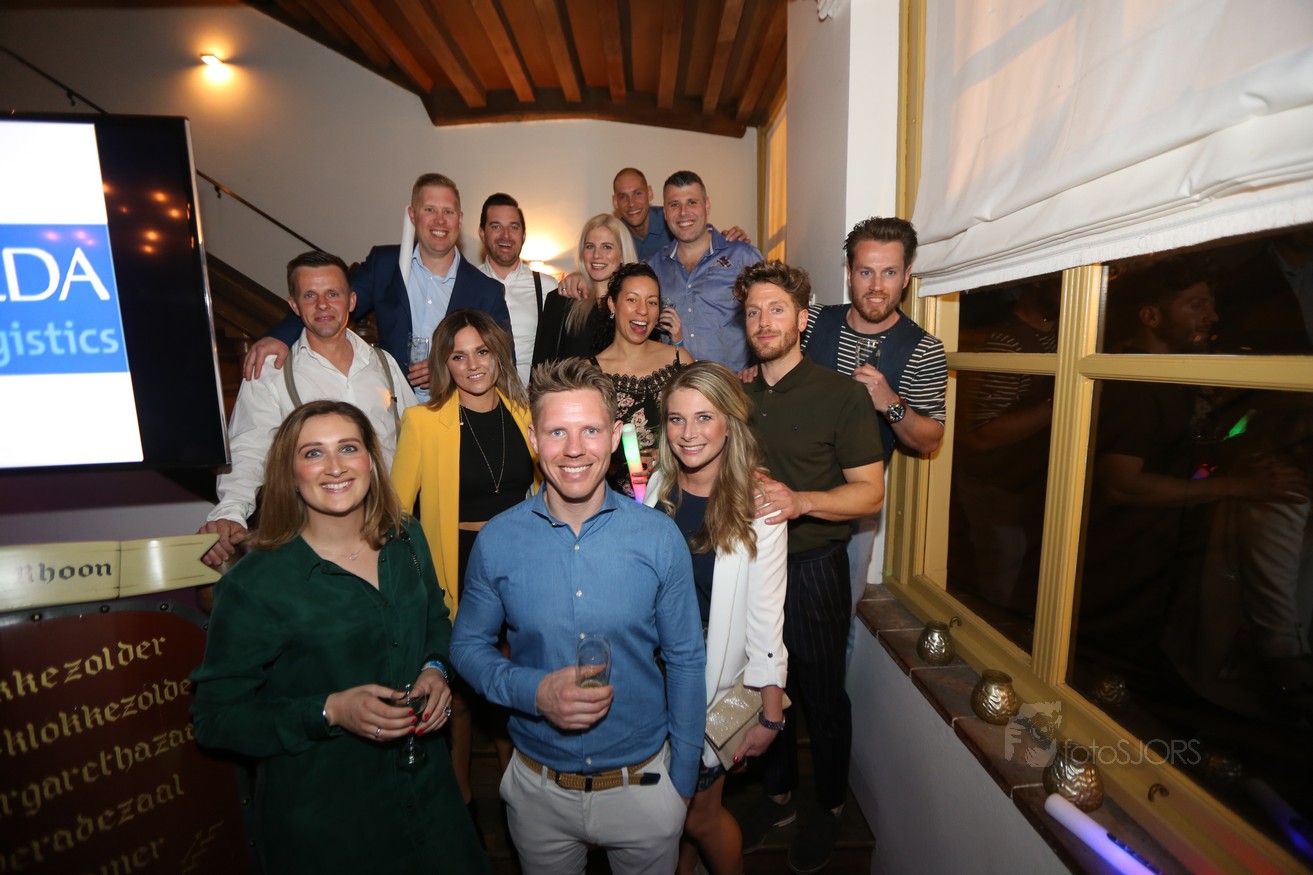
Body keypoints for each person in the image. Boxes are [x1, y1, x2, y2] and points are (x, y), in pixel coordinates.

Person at [190, 400, 488, 874]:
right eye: (313, 453)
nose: (334, 466)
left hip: (430, 802)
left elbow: (435, 620)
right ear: (289, 474)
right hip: (330, 822)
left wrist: (435, 668)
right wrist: (329, 710)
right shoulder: (256, 583)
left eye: (348, 448)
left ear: (371, 458)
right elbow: (217, 719)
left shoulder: (406, 539)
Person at [450, 358, 705, 875]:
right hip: (539, 793)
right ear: (533, 438)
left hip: (643, 789)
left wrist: (682, 781)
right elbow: (466, 647)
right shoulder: (498, 540)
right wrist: (534, 692)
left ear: (614, 436)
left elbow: (685, 658)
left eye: (590, 430)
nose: (573, 449)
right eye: (556, 432)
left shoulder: (659, 538)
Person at [734, 261, 884, 873]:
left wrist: (801, 502)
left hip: (813, 567)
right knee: (761, 687)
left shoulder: (841, 395)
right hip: (748, 569)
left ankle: (828, 806)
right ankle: (778, 798)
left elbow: (869, 494)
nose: (763, 321)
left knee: (821, 695)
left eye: (776, 309)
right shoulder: (737, 396)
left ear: (801, 319)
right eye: (752, 312)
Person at [391, 308, 540, 817]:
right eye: (459, 356)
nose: (473, 364)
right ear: (444, 363)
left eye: (482, 351)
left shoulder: (526, 413)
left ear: (499, 355)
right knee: (457, 692)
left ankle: (517, 789)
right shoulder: (422, 422)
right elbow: (396, 514)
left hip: (521, 565)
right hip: (458, 566)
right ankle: (461, 798)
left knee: (511, 678)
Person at [644, 362, 788, 875]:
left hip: (712, 680)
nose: (689, 433)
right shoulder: (658, 487)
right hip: (653, 670)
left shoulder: (758, 503)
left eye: (704, 417)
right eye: (677, 419)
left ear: (730, 422)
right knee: (670, 808)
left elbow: (767, 614)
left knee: (698, 817)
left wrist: (770, 714)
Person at [199, 250, 415, 568]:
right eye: (310, 295)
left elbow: (414, 436)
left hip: (389, 529)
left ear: (352, 301)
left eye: (333, 294)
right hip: (312, 539)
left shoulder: (384, 364)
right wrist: (230, 512)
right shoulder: (271, 372)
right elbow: (248, 449)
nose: (323, 305)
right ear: (294, 305)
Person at [243, 173, 510, 402]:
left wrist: (449, 370)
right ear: (412, 215)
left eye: (448, 212)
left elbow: (503, 360)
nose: (440, 220)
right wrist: (280, 337)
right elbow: (331, 304)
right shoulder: (383, 265)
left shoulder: (486, 290)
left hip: (458, 411)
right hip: (390, 410)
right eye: (430, 210)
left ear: (459, 219)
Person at [800, 217, 946, 631]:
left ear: (907, 276)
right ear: (849, 273)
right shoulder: (810, 323)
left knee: (835, 621)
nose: (877, 286)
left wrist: (891, 404)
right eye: (866, 272)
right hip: (788, 483)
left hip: (855, 506)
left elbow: (929, 439)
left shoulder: (924, 349)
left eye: (889, 272)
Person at [591, 262, 691, 495]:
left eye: (652, 302)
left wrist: (665, 455)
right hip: (617, 500)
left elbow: (705, 423)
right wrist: (622, 462)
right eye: (632, 300)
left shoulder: (680, 359)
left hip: (677, 490)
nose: (643, 311)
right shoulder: (591, 373)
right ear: (612, 304)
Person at [648, 171, 764, 370]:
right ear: (665, 212)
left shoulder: (743, 256)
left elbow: (772, 314)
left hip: (736, 384)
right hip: (677, 384)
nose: (683, 212)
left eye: (692, 202)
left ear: (707, 205)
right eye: (674, 204)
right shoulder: (652, 267)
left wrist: (762, 365)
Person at [533, 213, 636, 368]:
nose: (597, 255)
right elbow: (541, 367)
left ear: (622, 254)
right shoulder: (561, 300)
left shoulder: (635, 305)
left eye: (607, 247)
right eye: (590, 246)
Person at [477, 192, 559, 384]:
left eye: (513, 227)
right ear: (482, 233)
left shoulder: (547, 287)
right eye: (496, 226)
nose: (505, 235)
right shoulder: (468, 284)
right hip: (482, 396)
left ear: (523, 236)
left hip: (533, 397)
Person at [612, 167, 753, 261]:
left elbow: (701, 232)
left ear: (650, 193)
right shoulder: (612, 236)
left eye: (638, 193)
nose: (631, 203)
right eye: (623, 197)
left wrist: (730, 239)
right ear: (615, 202)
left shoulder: (674, 220)